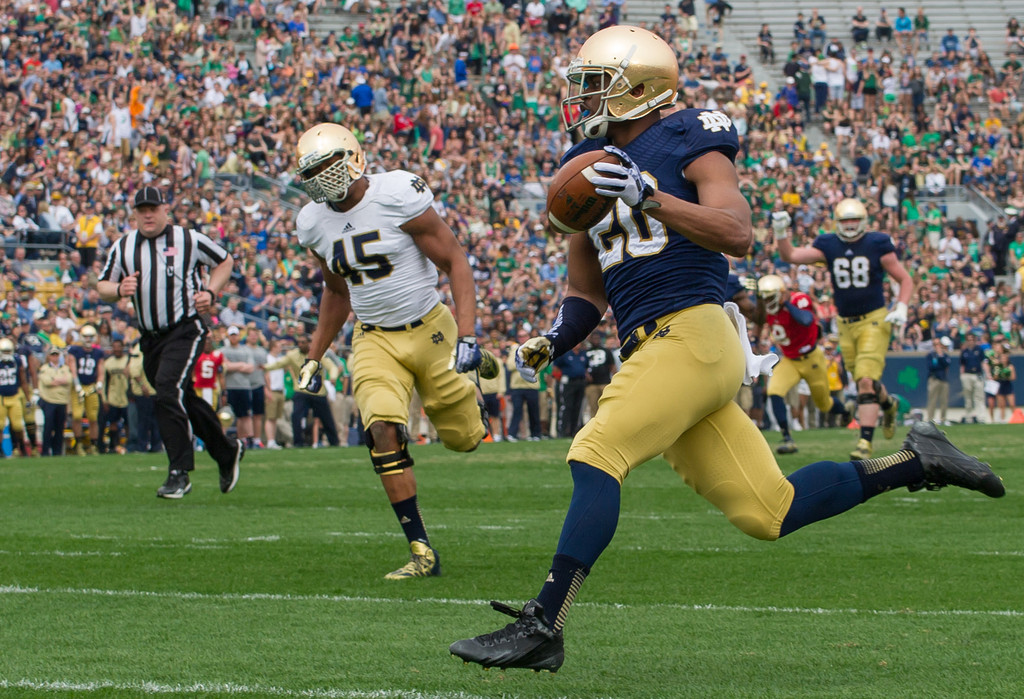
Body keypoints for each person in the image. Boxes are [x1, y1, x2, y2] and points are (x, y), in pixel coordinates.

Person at [448, 25, 1005, 673]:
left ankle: (545, 621)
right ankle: (920, 460)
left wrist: (650, 196)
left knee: (596, 449)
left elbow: (738, 232)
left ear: (640, 86)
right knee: (769, 510)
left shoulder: (686, 135)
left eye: (595, 84)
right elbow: (586, 289)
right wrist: (555, 337)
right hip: (653, 349)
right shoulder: (585, 165)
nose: (582, 99)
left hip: (693, 333)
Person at [289, 123, 501, 579]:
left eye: (330, 164)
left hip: (430, 328)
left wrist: (467, 335)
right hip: (373, 338)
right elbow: (336, 292)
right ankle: (421, 549)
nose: (324, 176)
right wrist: (314, 355)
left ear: (354, 158)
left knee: (463, 440)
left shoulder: (396, 194)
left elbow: (455, 261)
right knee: (381, 428)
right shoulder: (311, 222)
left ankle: (476, 380)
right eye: (314, 170)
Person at [96, 186, 244, 498]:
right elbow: (102, 286)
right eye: (141, 210)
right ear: (134, 214)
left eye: (153, 208)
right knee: (178, 396)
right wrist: (120, 288)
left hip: (185, 328)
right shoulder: (123, 246)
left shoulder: (188, 239)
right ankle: (226, 450)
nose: (147, 215)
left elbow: (225, 261)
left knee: (167, 389)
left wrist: (211, 292)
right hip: (150, 337)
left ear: (166, 209)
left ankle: (179, 471)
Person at [777, 198, 912, 460]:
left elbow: (904, 277)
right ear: (837, 223)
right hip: (845, 322)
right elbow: (790, 256)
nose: (850, 225)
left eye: (854, 220)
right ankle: (889, 404)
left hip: (874, 318)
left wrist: (902, 306)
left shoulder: (877, 242)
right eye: (845, 220)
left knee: (864, 380)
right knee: (866, 382)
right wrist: (781, 233)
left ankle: (864, 442)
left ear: (863, 221)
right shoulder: (829, 244)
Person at [755, 275, 850, 454]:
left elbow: (806, 320)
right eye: (764, 298)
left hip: (812, 358)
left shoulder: (799, 299)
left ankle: (845, 412)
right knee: (774, 391)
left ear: (780, 294)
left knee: (824, 404)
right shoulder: (768, 311)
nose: (767, 302)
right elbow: (759, 319)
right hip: (790, 360)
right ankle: (787, 438)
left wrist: (786, 304)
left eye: (769, 297)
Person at [264, 333, 341, 448]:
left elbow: (332, 367)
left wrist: (333, 377)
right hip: (301, 390)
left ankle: (334, 442)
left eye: (303, 342)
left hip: (317, 391)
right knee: (296, 416)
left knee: (326, 418)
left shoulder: (318, 354)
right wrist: (264, 367)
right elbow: (279, 364)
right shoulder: (293, 355)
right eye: (298, 342)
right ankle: (298, 442)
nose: (300, 345)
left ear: (309, 343)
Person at [67, 324, 105, 455]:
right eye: (86, 336)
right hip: (78, 386)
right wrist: (77, 384)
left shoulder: (98, 353)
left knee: (93, 417)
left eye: (90, 337)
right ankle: (78, 444)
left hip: (91, 386)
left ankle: (93, 445)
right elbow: (72, 367)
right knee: (77, 416)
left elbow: (101, 371)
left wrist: (99, 383)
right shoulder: (75, 350)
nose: (88, 339)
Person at [221, 326, 257, 445]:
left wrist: (233, 366)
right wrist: (241, 365)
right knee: (227, 414)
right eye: (231, 335)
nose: (233, 337)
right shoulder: (223, 350)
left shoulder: (245, 350)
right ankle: (223, 438)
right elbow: (225, 366)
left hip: (244, 386)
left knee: (244, 414)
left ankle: (244, 438)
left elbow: (251, 368)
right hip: (230, 386)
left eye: (235, 335)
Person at [38, 346, 72, 457]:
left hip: (62, 401)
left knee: (59, 427)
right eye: (52, 355)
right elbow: (47, 382)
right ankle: (45, 451)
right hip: (49, 400)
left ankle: (57, 451)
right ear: (49, 356)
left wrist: (54, 380)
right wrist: (61, 380)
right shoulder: (44, 368)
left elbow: (69, 380)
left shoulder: (65, 368)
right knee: (48, 427)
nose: (54, 357)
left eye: (56, 355)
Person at [0, 337, 31, 456]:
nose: (7, 354)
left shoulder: (17, 360)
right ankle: (1, 451)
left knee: (18, 425)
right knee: (0, 425)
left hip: (14, 396)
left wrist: (28, 397)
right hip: (1, 397)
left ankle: (21, 447)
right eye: (4, 351)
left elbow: (23, 380)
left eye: (9, 351)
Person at [102, 339, 131, 454]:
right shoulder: (108, 363)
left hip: (125, 396)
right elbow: (105, 382)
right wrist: (105, 399)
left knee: (128, 423)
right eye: (115, 347)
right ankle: (114, 445)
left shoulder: (128, 361)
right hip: (113, 397)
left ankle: (128, 444)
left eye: (119, 347)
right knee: (113, 422)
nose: (117, 349)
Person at [959, 333, 986, 424]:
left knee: (979, 397)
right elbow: (962, 365)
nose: (970, 342)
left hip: (977, 374)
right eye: (969, 340)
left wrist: (987, 374)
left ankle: (980, 417)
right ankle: (968, 417)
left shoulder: (979, 350)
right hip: (967, 375)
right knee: (968, 397)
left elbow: (983, 362)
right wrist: (962, 375)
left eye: (972, 339)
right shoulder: (964, 351)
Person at [925, 336, 952, 424]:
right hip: (934, 379)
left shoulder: (945, 355)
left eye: (938, 344)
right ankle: (930, 419)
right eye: (935, 344)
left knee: (944, 400)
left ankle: (943, 418)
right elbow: (931, 367)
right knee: (932, 400)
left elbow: (946, 364)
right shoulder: (930, 355)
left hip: (943, 379)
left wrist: (940, 356)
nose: (937, 346)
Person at [193, 337, 225, 409]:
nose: (207, 345)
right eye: (205, 343)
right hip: (198, 387)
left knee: (210, 411)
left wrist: (223, 392)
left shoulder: (217, 355)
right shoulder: (196, 355)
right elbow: (192, 373)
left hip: (211, 387)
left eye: (209, 343)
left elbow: (220, 374)